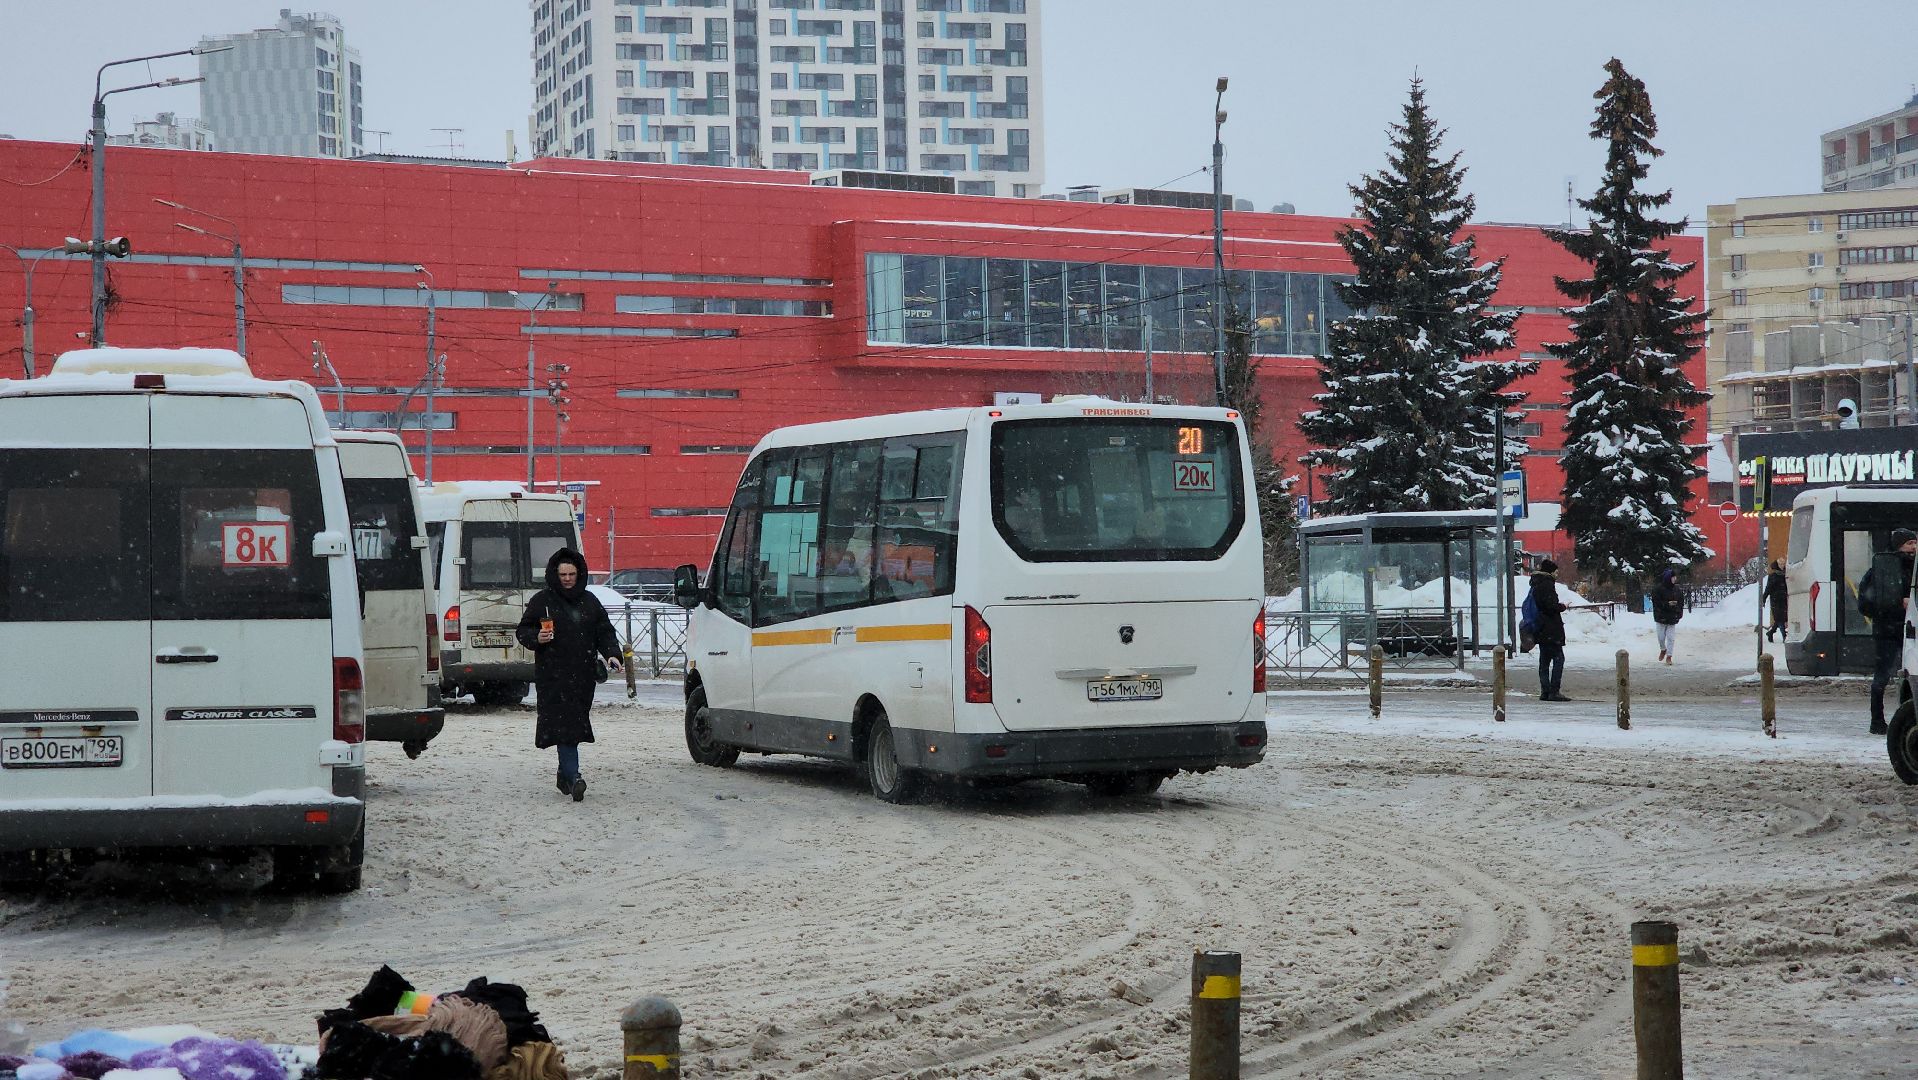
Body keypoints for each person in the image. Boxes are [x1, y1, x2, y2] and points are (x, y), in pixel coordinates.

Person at [515, 547, 623, 800]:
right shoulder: (542, 601)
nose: (567, 578)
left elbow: (604, 631)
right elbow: (523, 631)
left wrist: (612, 654)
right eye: (562, 574)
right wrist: (536, 637)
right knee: (566, 727)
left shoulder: (589, 601)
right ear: (554, 574)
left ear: (579, 574)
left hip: (583, 676)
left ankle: (565, 776)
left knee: (572, 724)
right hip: (552, 676)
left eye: (571, 574)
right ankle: (573, 777)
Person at [1856, 528, 1916, 737]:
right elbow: (1866, 603)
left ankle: (1905, 718)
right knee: (1882, 678)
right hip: (1890, 632)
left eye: (1915, 543)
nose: (1914, 547)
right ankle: (1878, 721)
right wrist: (1897, 604)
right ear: (1899, 545)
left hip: (1909, 631)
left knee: (1908, 677)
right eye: (1909, 543)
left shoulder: (1908, 567)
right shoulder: (1882, 569)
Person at [1528, 558, 1570, 701]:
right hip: (1551, 628)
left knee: (1544, 660)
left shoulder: (1536, 583)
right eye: (1556, 571)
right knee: (1559, 659)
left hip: (1541, 627)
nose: (1557, 574)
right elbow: (1550, 606)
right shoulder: (1547, 584)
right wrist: (1562, 606)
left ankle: (1545, 691)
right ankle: (1554, 691)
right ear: (1550, 571)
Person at [1650, 568, 1683, 665]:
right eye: (1673, 577)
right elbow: (1656, 603)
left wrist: (1679, 612)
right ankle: (1663, 649)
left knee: (1671, 637)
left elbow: (1681, 602)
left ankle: (1669, 656)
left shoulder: (1677, 590)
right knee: (1661, 637)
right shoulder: (1658, 589)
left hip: (1673, 616)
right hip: (1661, 616)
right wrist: (1667, 604)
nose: (1675, 579)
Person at [1762, 559, 1788, 642]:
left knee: (1781, 618)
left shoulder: (1785, 575)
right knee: (1780, 618)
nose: (1782, 566)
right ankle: (1784, 636)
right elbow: (1768, 588)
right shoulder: (1773, 576)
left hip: (1783, 599)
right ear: (1777, 565)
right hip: (1775, 600)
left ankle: (1770, 632)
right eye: (1780, 564)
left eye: (1783, 564)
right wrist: (1764, 598)